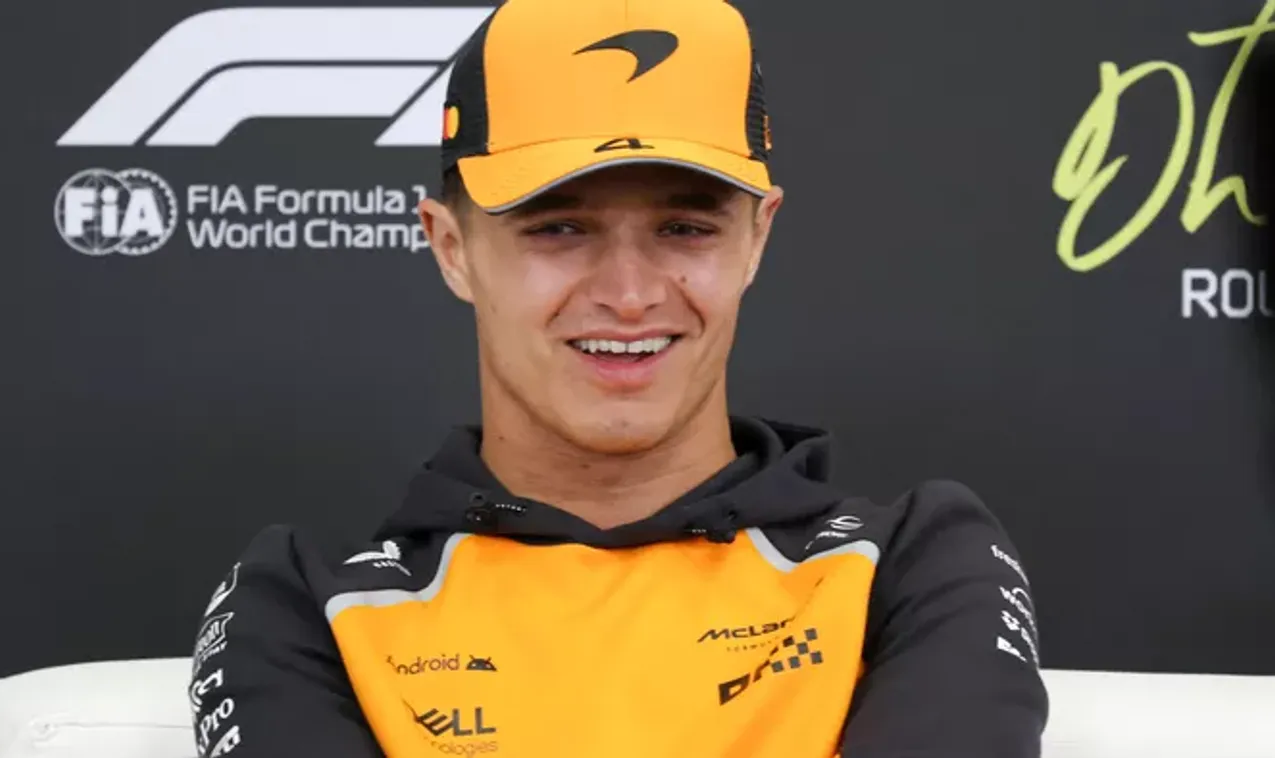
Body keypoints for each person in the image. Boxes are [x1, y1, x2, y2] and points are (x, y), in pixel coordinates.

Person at [187, 0, 1049, 755]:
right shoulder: (305, 607)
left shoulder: (909, 564)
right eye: (558, 229)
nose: (629, 295)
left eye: (684, 229)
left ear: (756, 238)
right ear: (451, 248)